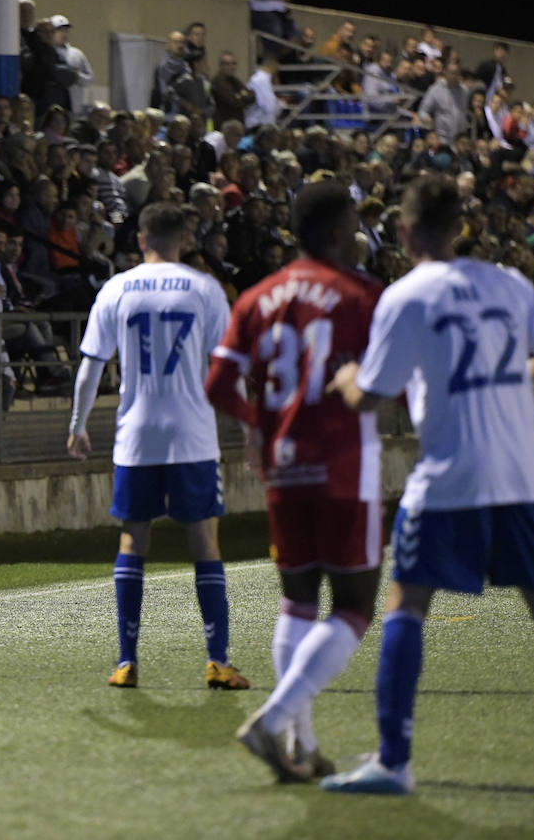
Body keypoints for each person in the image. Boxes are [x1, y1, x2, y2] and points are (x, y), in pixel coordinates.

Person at [320, 175, 534, 796]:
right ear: (460, 228)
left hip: (449, 478)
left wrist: (346, 376)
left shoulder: (405, 296)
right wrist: (518, 367)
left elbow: (372, 396)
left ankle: (393, 760)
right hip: (520, 474)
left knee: (406, 604)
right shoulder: (507, 281)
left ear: (404, 232)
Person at [203, 181, 384, 781]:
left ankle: (303, 747)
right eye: (355, 226)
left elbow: (217, 386)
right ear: (337, 233)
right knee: (355, 604)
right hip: (342, 465)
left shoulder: (257, 297)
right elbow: (392, 383)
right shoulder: (361, 295)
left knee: (298, 601)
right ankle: (274, 720)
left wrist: (260, 422)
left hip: (282, 464)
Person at [66, 202, 250, 691]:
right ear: (185, 239)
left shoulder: (117, 288)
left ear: (141, 238)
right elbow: (228, 365)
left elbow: (90, 367)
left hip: (137, 435)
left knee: (133, 541)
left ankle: (126, 662)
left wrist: (77, 424)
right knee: (204, 542)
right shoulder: (205, 288)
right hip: (193, 434)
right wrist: (250, 426)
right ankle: (218, 661)